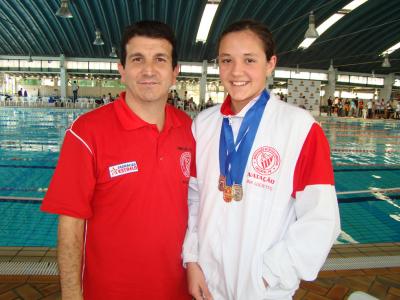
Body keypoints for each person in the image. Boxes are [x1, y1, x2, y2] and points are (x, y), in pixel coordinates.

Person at [182, 19, 340, 300]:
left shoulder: (299, 127)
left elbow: (321, 219)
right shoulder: (203, 125)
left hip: (262, 291)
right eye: (226, 60)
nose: (236, 71)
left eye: (250, 60)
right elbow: (194, 199)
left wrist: (269, 276)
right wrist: (192, 260)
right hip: (206, 285)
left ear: (270, 64)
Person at [41, 20, 195, 300]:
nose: (149, 70)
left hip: (178, 291)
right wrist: (72, 296)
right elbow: (70, 224)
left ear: (175, 72)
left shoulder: (190, 130)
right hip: (108, 292)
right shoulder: (87, 133)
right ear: (122, 70)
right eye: (138, 59)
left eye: (160, 59)